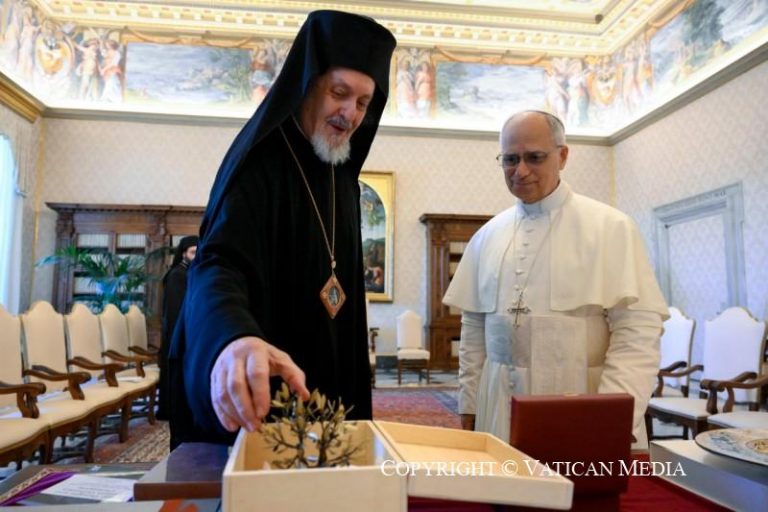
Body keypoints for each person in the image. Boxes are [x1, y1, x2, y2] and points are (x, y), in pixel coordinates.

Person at [168, 10, 396, 449]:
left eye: (363, 103)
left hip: (325, 386)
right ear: (308, 84)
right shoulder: (260, 164)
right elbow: (219, 264)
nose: (349, 113)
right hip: (264, 385)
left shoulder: (342, 178)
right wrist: (234, 336)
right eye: (339, 93)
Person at [443, 110, 668, 450]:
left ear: (562, 156)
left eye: (534, 157)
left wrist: (611, 418)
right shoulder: (487, 235)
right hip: (498, 406)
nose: (520, 170)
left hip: (582, 404)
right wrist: (470, 402)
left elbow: (637, 333)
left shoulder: (611, 227)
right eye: (510, 159)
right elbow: (474, 328)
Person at [158, 236, 198, 420]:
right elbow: (175, 309)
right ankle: (171, 411)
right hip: (176, 333)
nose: (196, 256)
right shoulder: (177, 275)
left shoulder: (189, 272)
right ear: (183, 254)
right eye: (193, 252)